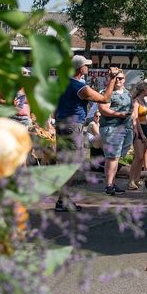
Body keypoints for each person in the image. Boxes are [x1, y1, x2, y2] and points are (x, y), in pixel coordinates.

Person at [53, 57, 120, 212]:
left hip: (62, 123)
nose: (88, 67)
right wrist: (111, 79)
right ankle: (64, 201)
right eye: (86, 66)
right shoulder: (79, 87)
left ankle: (63, 200)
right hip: (72, 126)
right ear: (79, 69)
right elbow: (104, 99)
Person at [98, 71, 133, 195]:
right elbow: (103, 110)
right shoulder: (106, 92)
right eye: (116, 78)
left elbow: (132, 110)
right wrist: (119, 114)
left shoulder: (128, 93)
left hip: (126, 128)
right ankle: (109, 185)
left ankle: (111, 183)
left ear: (125, 79)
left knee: (115, 157)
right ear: (111, 78)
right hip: (112, 128)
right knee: (112, 157)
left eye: (121, 78)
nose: (118, 81)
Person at [128, 79, 147, 191]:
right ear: (143, 89)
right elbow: (135, 118)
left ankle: (137, 179)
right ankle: (130, 181)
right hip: (138, 130)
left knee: (142, 157)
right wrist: (140, 133)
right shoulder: (136, 101)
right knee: (138, 156)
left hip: (146, 128)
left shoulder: (144, 101)